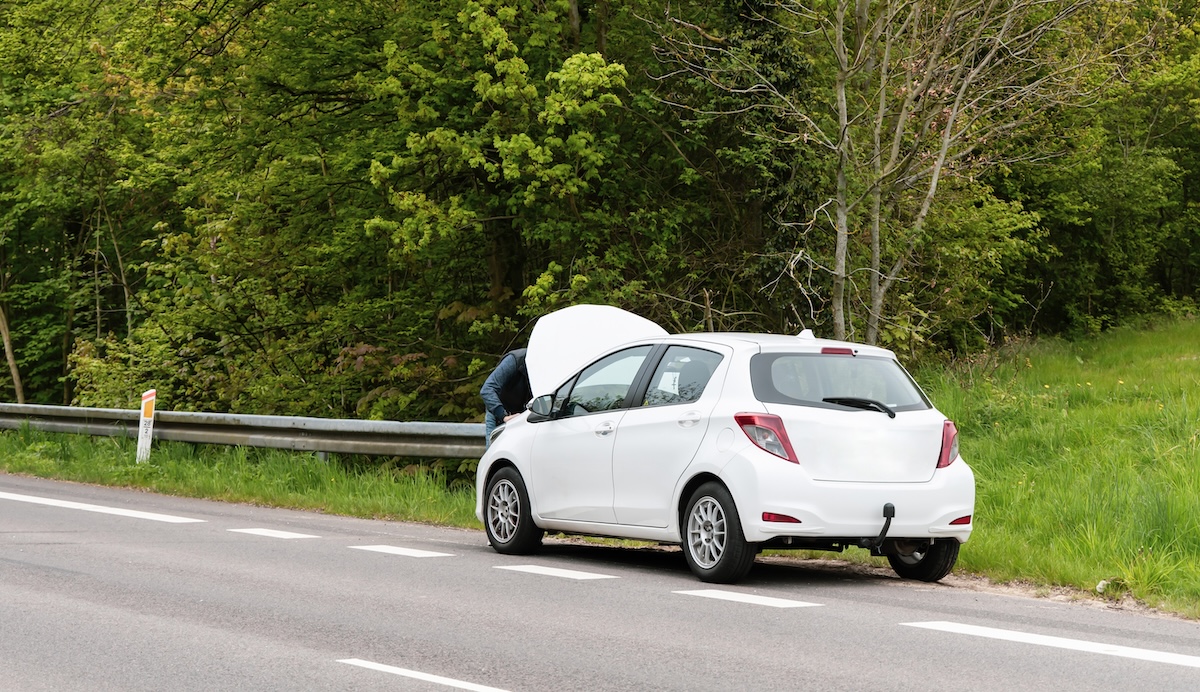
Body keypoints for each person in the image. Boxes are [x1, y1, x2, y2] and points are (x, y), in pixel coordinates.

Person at [480, 347, 532, 447]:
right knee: (493, 455)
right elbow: (487, 390)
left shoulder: (547, 367)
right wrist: (504, 416)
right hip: (499, 413)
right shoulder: (515, 360)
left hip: (522, 417)